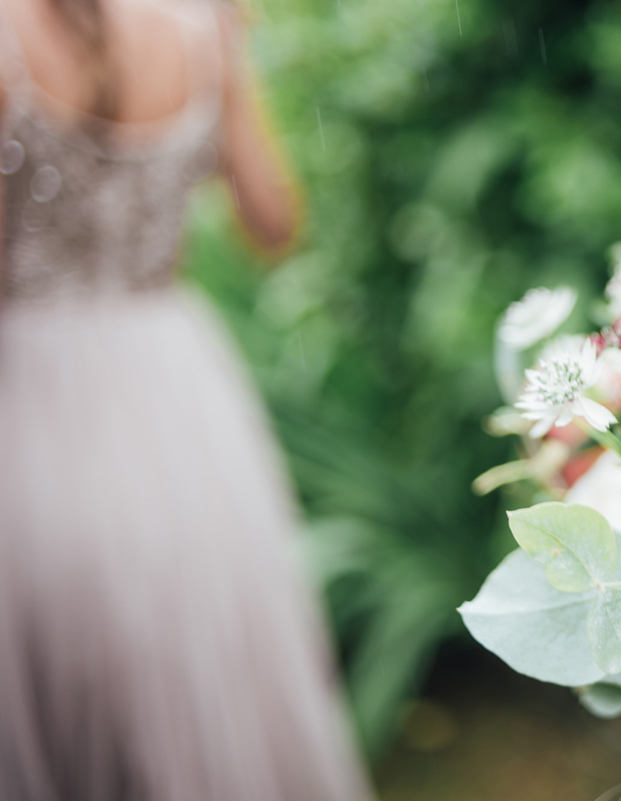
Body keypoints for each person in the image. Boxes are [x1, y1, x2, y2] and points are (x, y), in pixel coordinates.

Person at [0, 0, 370, 797]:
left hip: (27, 395)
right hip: (174, 389)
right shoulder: (203, 21)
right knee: (194, 655)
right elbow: (273, 221)